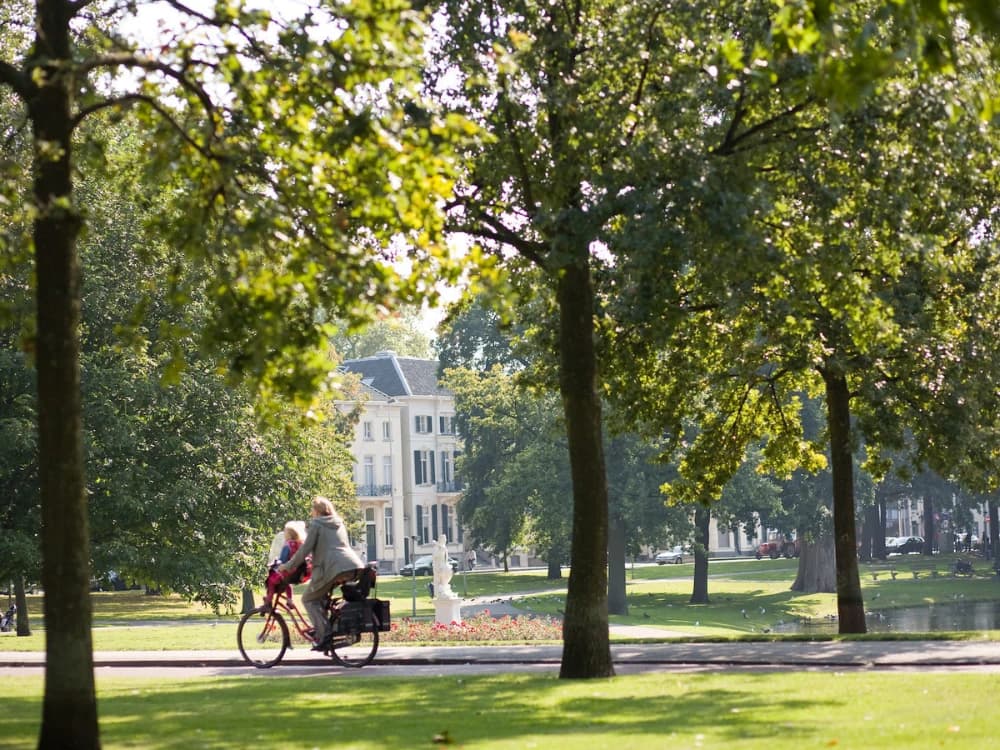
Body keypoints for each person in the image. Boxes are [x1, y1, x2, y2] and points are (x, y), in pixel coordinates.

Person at [280, 496, 364, 651]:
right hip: (352, 565)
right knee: (321, 598)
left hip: (332, 569)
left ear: (318, 511)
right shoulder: (339, 523)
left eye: (312, 509)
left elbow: (305, 549)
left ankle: (324, 635)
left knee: (307, 599)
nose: (311, 513)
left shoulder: (317, 524)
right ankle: (326, 629)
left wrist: (288, 565)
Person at [263, 521, 308, 610]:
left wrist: (276, 563)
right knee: (287, 582)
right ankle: (290, 600)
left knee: (271, 581)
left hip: (286, 571)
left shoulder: (287, 546)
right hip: (296, 573)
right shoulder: (300, 544)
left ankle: (269, 600)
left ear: (290, 534)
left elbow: (283, 560)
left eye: (285, 532)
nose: (284, 534)